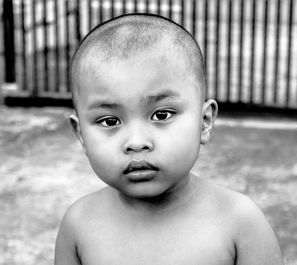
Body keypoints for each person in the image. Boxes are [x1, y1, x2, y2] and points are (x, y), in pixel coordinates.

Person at [55, 13, 283, 265]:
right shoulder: (79, 225)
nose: (137, 142)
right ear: (81, 135)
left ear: (204, 122)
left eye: (161, 115)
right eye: (110, 121)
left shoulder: (239, 222)